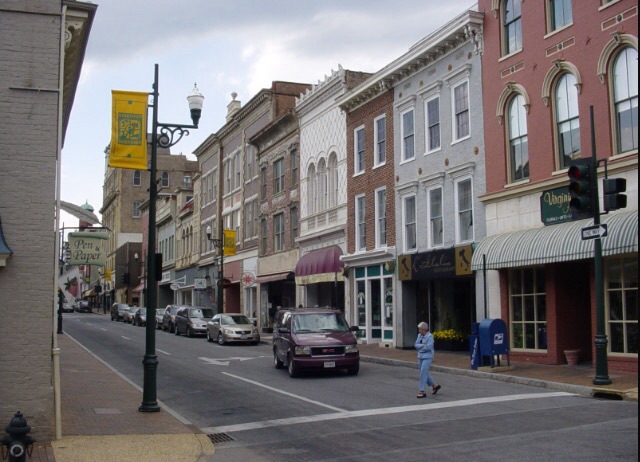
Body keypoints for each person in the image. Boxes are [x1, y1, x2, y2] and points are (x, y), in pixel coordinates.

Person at [415, 321, 441, 398]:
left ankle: (421, 391)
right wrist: (423, 345)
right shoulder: (419, 335)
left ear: (424, 329)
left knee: (423, 372)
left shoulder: (430, 337)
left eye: (420, 329)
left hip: (427, 357)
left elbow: (429, 347)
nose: (419, 331)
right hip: (420, 356)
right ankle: (434, 385)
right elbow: (416, 345)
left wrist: (421, 346)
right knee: (423, 372)